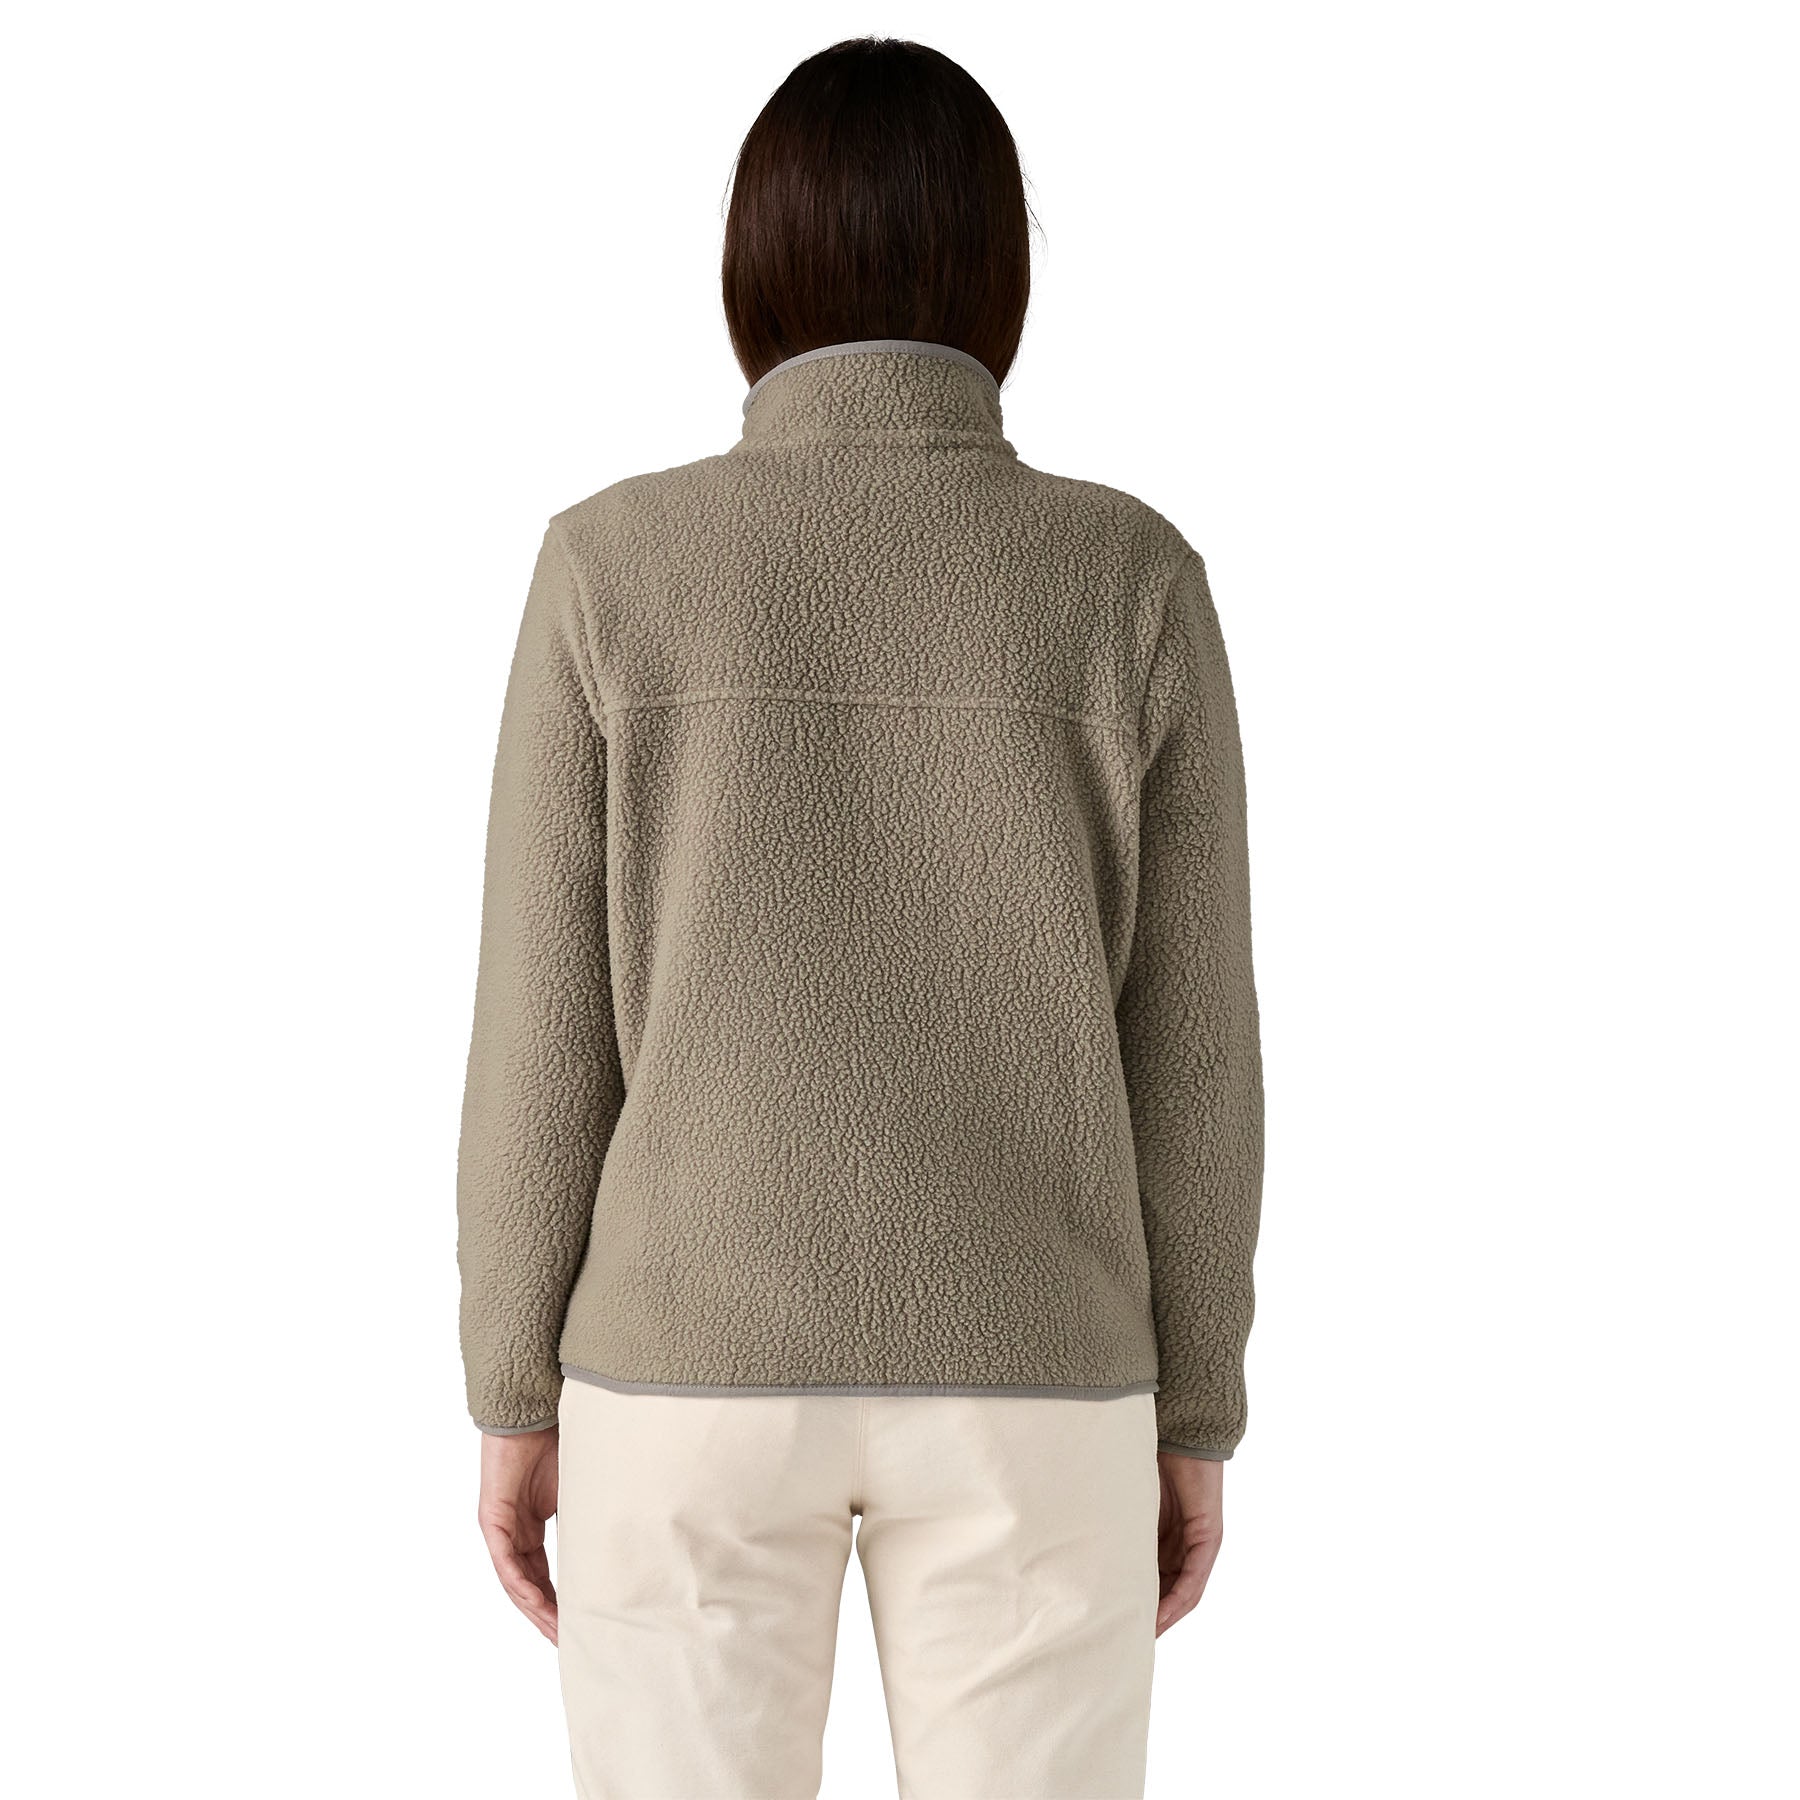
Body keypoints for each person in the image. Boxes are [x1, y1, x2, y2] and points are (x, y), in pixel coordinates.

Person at [458, 35, 1263, 1800]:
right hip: (1038, 1376)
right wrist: (1194, 1403)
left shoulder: (611, 565)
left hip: (679, 1372)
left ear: (751, 269)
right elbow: (1196, 1051)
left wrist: (514, 1385)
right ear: (1002, 273)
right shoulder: (1130, 577)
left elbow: (540, 1029)